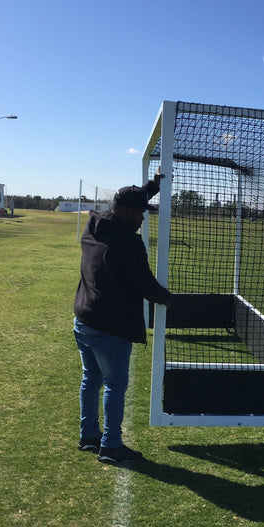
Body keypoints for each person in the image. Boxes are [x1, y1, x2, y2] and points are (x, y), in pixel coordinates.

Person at [73, 171, 171, 463]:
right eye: (140, 212)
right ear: (127, 212)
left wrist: (151, 188)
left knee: (91, 378)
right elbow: (145, 285)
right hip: (109, 326)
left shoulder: (95, 223)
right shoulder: (129, 243)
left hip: (83, 319)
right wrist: (169, 299)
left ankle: (89, 436)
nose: (143, 218)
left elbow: (127, 203)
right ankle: (111, 446)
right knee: (115, 385)